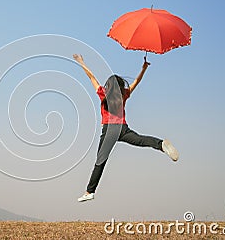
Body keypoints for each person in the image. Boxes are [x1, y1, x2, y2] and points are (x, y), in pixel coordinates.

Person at [73, 54, 179, 202]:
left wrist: (81, 62)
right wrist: (144, 69)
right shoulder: (124, 94)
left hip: (109, 130)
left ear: (109, 86)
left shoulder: (104, 94)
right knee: (141, 140)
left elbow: (91, 77)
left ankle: (90, 191)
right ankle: (160, 144)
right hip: (123, 129)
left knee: (100, 161)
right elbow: (136, 81)